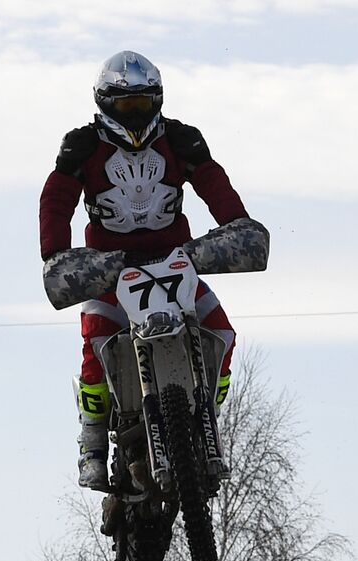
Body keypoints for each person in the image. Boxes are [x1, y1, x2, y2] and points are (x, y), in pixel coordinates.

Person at [39, 51, 251, 489]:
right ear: (104, 103)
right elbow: (56, 199)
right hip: (110, 271)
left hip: (175, 262)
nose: (134, 114)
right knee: (95, 346)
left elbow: (214, 183)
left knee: (223, 333)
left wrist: (236, 224)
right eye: (124, 105)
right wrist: (56, 253)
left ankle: (205, 409)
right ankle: (92, 446)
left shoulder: (181, 141)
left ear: (157, 100)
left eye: (142, 103)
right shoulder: (83, 147)